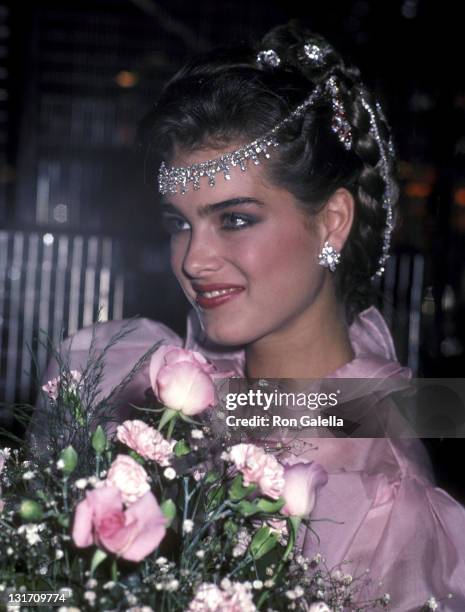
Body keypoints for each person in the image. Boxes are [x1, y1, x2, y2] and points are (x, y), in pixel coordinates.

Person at [31, 21, 465, 611]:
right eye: (178, 224)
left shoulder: (383, 506)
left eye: (234, 219)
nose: (193, 259)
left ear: (332, 222)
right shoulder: (139, 382)